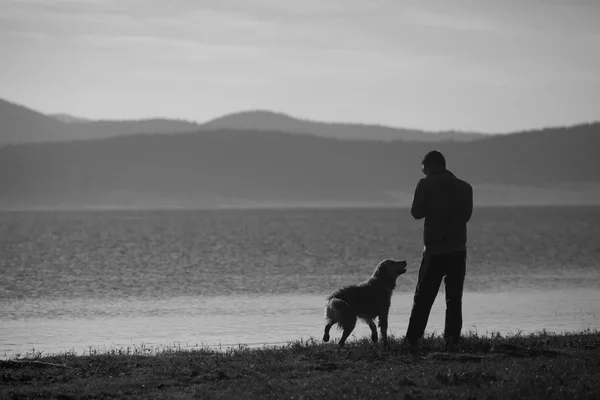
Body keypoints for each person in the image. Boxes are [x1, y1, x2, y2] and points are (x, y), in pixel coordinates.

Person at [404, 150, 473, 355]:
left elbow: (417, 213)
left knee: (423, 298)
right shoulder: (465, 187)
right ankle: (452, 342)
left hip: (434, 251)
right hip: (458, 250)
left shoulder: (425, 184)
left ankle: (413, 341)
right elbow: (465, 216)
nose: (423, 172)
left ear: (430, 165)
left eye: (424, 168)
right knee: (454, 298)